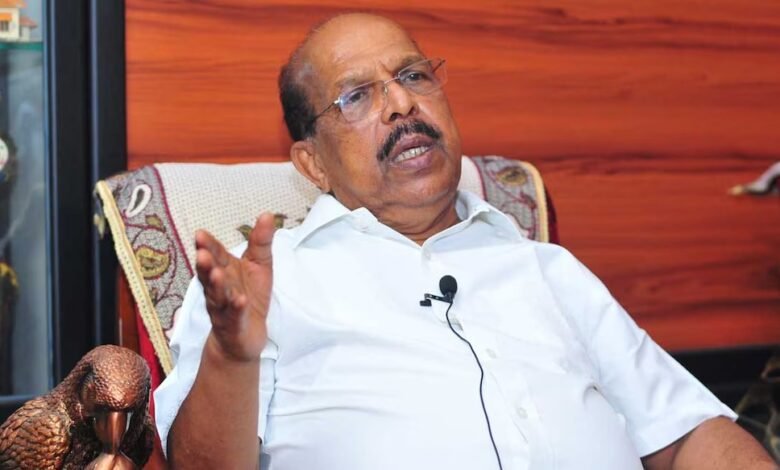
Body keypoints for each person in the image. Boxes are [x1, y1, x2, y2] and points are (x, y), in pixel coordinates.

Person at [154, 13, 776, 470]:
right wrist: (231, 357)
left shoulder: (546, 269)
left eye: (413, 75)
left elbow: (689, 434)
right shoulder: (262, 289)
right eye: (357, 96)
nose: (401, 103)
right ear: (312, 164)